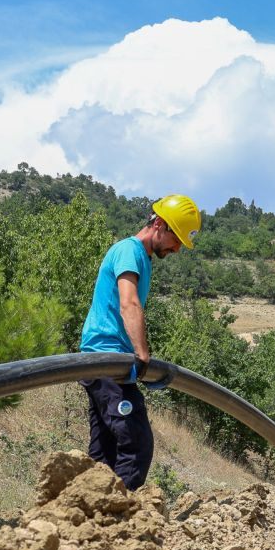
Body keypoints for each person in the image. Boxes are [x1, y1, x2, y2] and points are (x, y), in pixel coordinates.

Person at [78, 194, 201, 490]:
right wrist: (142, 355)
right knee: (137, 444)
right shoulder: (129, 250)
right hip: (107, 358)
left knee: (104, 453)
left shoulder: (141, 258)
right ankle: (119, 519)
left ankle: (83, 519)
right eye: (176, 240)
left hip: (107, 362)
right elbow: (129, 303)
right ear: (159, 224)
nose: (177, 249)